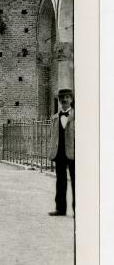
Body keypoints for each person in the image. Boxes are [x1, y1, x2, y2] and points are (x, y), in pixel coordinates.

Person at [48, 88, 75, 216]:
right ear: (59, 100)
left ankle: (78, 210)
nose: (64, 100)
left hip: (74, 153)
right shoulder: (54, 117)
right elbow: (54, 137)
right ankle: (60, 209)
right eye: (62, 98)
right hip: (59, 154)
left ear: (71, 99)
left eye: (67, 97)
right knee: (60, 181)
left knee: (76, 182)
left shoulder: (77, 116)